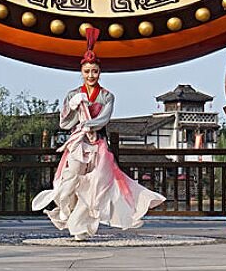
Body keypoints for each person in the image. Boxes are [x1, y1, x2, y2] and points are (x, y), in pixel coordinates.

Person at [31, 28, 165, 240]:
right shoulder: (73, 95)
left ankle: (79, 227)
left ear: (99, 72)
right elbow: (64, 123)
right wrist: (73, 108)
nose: (91, 75)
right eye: (87, 71)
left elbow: (104, 119)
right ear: (81, 72)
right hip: (78, 144)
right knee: (71, 180)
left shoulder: (106, 96)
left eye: (94, 71)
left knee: (95, 186)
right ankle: (64, 208)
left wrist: (88, 124)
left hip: (97, 144)